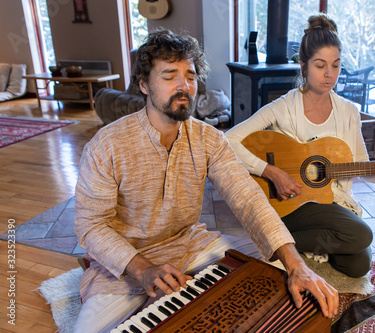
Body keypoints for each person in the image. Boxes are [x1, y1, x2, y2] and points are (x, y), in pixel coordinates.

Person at [73, 29, 337, 332]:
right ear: (144, 84)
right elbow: (90, 224)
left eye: (190, 75)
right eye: (170, 76)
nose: (185, 86)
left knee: (277, 270)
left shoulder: (209, 139)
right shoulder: (107, 144)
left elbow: (247, 198)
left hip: (189, 244)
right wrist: (143, 269)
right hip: (125, 262)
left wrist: (296, 265)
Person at [226, 14, 375, 279]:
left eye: (336, 66)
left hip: (331, 202)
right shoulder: (284, 107)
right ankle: (277, 233)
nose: (329, 74)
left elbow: (363, 167)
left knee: (358, 266)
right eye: (320, 65)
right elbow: (228, 140)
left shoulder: (348, 112)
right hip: (292, 203)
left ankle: (283, 241)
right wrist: (272, 172)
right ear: (303, 65)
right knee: (362, 234)